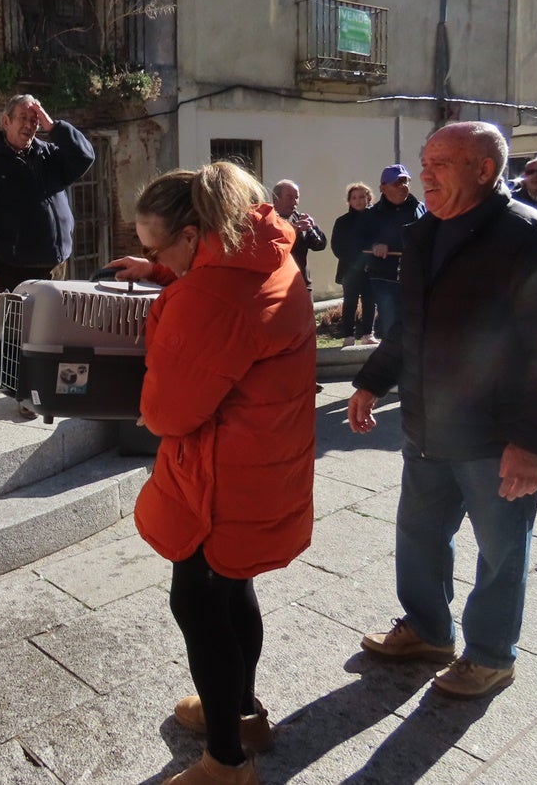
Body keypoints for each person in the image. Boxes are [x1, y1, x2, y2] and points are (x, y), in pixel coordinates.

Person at [349, 122, 537, 699]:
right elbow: (410, 323)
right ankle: (431, 631)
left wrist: (534, 443)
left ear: (485, 170)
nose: (424, 174)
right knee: (420, 535)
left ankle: (490, 655)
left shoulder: (531, 239)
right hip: (429, 424)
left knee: (502, 551)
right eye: (424, 162)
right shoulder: (426, 230)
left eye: (442, 163)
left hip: (496, 436)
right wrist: (371, 381)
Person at [109, 163, 316, 785]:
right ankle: (244, 713)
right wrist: (161, 273)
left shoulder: (209, 297)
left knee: (199, 607)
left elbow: (167, 411)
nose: (149, 256)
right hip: (264, 460)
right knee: (234, 588)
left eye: (155, 247)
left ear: (195, 235)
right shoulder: (267, 253)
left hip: (216, 480)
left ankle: (226, 762)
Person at [0, 94, 95, 296]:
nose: (29, 125)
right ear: (6, 122)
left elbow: (85, 156)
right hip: (14, 269)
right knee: (18, 327)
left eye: (34, 120)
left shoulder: (48, 154)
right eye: (22, 118)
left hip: (56, 266)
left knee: (54, 326)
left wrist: (54, 127)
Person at [357, 164, 425, 338]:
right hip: (385, 278)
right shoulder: (371, 214)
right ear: (383, 188)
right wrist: (375, 246)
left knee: (416, 328)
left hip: (416, 278)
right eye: (398, 182)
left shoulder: (420, 208)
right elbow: (358, 241)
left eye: (406, 181)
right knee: (391, 328)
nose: (404, 186)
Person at [330, 183, 378, 346]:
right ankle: (349, 336)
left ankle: (367, 334)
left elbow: (378, 243)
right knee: (349, 301)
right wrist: (358, 263)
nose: (358, 201)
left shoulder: (376, 220)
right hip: (350, 270)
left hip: (371, 269)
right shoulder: (342, 222)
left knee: (370, 301)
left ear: (369, 198)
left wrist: (369, 262)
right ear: (349, 201)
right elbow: (337, 248)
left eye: (362, 197)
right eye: (354, 198)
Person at [270, 179, 326, 291]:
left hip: (303, 284)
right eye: (290, 197)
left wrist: (313, 227)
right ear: (276, 199)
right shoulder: (269, 220)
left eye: (297, 197)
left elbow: (319, 246)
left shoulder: (298, 217)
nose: (295, 202)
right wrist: (293, 230)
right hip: (279, 286)